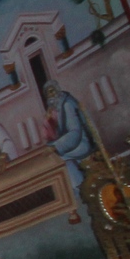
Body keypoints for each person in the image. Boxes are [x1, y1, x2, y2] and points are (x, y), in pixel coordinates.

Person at [43, 79, 93, 223]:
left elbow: (74, 133)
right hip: (70, 144)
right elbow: (53, 134)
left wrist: (55, 147)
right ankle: (76, 193)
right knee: (58, 159)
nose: (51, 95)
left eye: (52, 91)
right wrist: (49, 121)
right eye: (48, 94)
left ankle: (73, 202)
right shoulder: (57, 108)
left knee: (59, 160)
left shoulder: (67, 104)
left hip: (81, 143)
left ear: (58, 90)